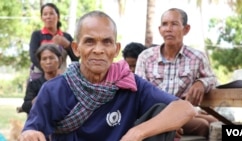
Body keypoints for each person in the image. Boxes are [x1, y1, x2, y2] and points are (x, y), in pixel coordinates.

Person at [18, 10, 196, 141]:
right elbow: (32, 130)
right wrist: (31, 134)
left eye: (107, 42)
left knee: (159, 117)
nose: (98, 50)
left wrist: (137, 133)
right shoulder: (54, 90)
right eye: (89, 41)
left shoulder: (129, 84)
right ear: (76, 48)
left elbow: (185, 108)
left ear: (116, 49)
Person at [135, 8, 218, 139]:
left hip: (182, 112)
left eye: (174, 24)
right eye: (164, 24)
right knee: (203, 125)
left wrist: (201, 83)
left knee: (219, 124)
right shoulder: (145, 57)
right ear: (160, 29)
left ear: (186, 29)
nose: (168, 29)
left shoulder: (197, 57)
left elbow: (212, 79)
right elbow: (139, 93)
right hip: (155, 113)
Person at [29, 3, 79, 81]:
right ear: (42, 18)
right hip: (40, 78)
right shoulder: (37, 35)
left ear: (58, 17)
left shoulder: (66, 37)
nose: (48, 17)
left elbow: (76, 58)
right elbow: (33, 56)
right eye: (45, 14)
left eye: (51, 13)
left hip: (60, 78)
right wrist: (48, 71)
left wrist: (68, 45)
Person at [18, 43, 62, 114]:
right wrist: (42, 97)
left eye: (51, 58)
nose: (48, 62)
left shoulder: (67, 82)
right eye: (44, 59)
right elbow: (26, 106)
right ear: (40, 63)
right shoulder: (34, 84)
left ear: (59, 60)